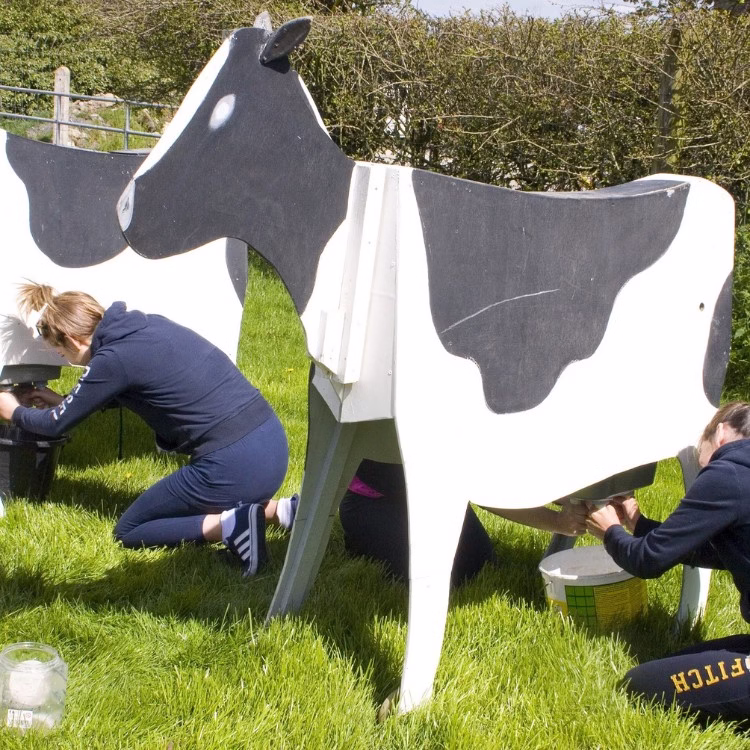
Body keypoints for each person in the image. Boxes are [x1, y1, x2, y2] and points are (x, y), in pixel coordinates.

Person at [0, 283, 296, 576]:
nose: (62, 358)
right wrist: (65, 401)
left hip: (234, 465)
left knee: (130, 529)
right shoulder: (146, 326)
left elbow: (55, 424)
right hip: (271, 443)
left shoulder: (112, 359)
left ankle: (232, 525)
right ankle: (281, 511)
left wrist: (13, 411)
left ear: (73, 340)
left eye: (60, 351)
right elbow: (133, 389)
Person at [586, 401, 750, 726]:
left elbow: (647, 561)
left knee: (640, 684)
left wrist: (610, 531)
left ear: (719, 433)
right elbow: (715, 553)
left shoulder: (728, 470)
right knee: (674, 663)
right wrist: (638, 524)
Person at [339, 459, 588, 587]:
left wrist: (564, 493)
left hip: (433, 491)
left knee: (475, 561)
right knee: (449, 575)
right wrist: (557, 521)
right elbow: (480, 486)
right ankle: (361, 538)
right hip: (374, 499)